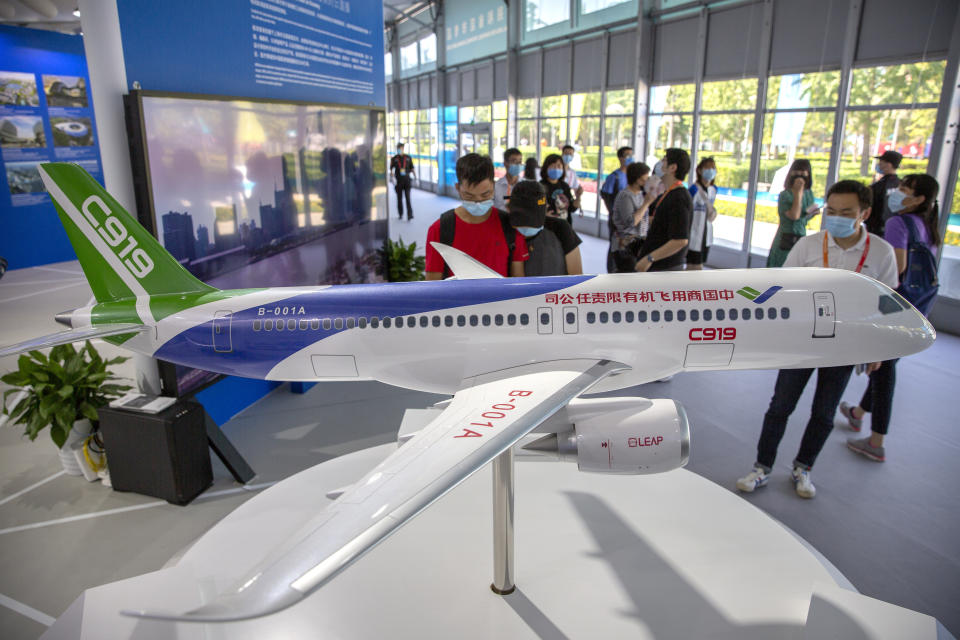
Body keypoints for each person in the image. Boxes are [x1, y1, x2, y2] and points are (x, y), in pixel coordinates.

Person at [737, 180, 898, 499]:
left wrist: (878, 346)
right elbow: (779, 289)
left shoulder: (881, 252)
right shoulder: (808, 246)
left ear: (864, 213)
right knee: (780, 407)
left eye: (846, 212)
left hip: (844, 347)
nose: (836, 217)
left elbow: (887, 303)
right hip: (803, 344)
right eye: (831, 211)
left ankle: (803, 468)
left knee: (824, 414)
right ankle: (762, 467)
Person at [840, 173, 940, 462]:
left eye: (905, 190)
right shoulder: (928, 225)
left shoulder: (899, 223)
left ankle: (876, 440)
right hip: (919, 306)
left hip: (895, 307)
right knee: (886, 366)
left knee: (883, 373)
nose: (898, 193)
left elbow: (895, 272)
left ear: (919, 198)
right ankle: (857, 413)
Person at [424, 153, 529, 280]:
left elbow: (519, 281)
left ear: (494, 186)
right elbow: (433, 285)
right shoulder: (440, 229)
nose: (478, 202)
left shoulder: (510, 226)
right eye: (469, 196)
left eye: (485, 195)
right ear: (458, 188)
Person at [507, 180, 583, 277]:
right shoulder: (505, 230)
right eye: (521, 219)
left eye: (532, 219)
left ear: (545, 209)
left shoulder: (560, 229)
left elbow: (577, 277)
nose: (526, 225)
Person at [634, 148, 692, 273]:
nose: (661, 163)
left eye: (664, 160)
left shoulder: (679, 197)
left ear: (672, 168)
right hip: (658, 266)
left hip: (665, 267)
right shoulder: (668, 193)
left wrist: (649, 258)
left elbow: (680, 240)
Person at [767, 159, 819, 268]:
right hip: (785, 239)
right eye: (796, 172)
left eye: (803, 172)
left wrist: (813, 213)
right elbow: (794, 216)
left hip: (801, 236)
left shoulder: (809, 194)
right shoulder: (785, 195)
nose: (800, 176)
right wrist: (797, 194)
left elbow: (804, 217)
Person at [609, 161, 656, 272]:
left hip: (638, 245)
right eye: (645, 178)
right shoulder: (625, 196)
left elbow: (641, 217)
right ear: (637, 179)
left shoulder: (639, 195)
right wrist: (646, 203)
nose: (647, 182)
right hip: (625, 247)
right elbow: (631, 222)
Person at [687, 157, 718, 270]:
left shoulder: (713, 189)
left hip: (706, 231)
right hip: (694, 231)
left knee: (696, 265)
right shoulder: (694, 189)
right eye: (707, 168)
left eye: (713, 168)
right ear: (699, 170)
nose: (711, 170)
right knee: (694, 265)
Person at [866, 150, 902, 236]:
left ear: (888, 165)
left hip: (876, 229)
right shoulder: (901, 184)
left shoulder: (878, 186)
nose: (879, 164)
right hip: (894, 226)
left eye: (881, 162)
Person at [540, 153, 577, 225]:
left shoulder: (565, 186)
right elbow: (538, 206)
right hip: (548, 225)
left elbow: (572, 208)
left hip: (565, 225)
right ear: (546, 168)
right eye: (553, 166)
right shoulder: (540, 186)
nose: (556, 169)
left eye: (559, 166)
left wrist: (578, 197)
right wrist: (544, 214)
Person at [600, 146, 634, 218]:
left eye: (632, 155)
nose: (631, 158)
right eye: (628, 155)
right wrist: (613, 213)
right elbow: (607, 197)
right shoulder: (614, 176)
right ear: (620, 158)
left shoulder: (633, 176)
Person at [389, 142, 416, 220]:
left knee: (408, 198)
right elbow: (391, 169)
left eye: (401, 148)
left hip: (407, 181)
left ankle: (410, 215)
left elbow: (412, 168)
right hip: (399, 181)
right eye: (398, 148)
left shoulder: (408, 157)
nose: (399, 150)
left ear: (403, 148)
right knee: (399, 198)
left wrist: (415, 177)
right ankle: (400, 213)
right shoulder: (394, 158)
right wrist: (392, 178)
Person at [494, 147, 523, 212]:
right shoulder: (496, 186)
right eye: (514, 161)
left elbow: (538, 203)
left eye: (520, 161)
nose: (518, 164)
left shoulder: (527, 185)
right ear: (505, 163)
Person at [561, 144, 584, 213]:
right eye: (566, 153)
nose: (568, 156)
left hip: (567, 201)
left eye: (570, 154)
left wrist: (579, 204)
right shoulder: (557, 171)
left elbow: (576, 189)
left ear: (573, 156)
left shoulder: (572, 173)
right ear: (562, 154)